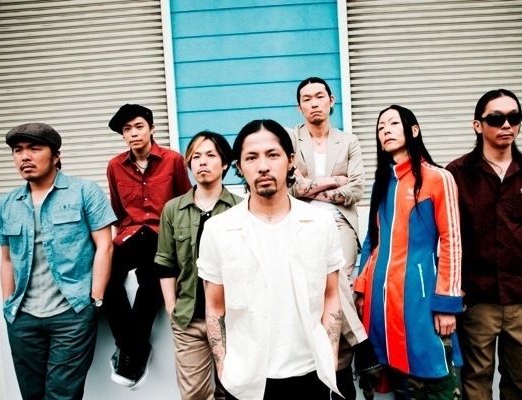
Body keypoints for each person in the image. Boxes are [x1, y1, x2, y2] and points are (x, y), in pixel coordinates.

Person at [197, 119, 344, 400]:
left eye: (272, 155)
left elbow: (331, 294)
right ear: (239, 167)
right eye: (251, 157)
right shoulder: (218, 230)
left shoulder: (320, 223)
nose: (263, 166)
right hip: (247, 379)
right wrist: (224, 367)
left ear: (290, 161)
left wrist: (331, 354)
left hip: (310, 372)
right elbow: (215, 306)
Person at [445, 89, 522, 399]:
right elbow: (446, 237)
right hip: (476, 301)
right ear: (478, 125)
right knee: (475, 385)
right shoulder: (456, 174)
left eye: (514, 117)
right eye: (496, 118)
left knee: (520, 387)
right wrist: (452, 288)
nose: (506, 125)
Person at [0, 122, 116, 399]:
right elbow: (7, 259)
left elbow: (105, 246)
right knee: (32, 395)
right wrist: (8, 306)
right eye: (18, 150)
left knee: (62, 395)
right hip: (23, 317)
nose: (25, 156)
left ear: (56, 155)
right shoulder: (5, 204)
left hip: (72, 314)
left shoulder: (84, 191)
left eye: (34, 149)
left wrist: (94, 299)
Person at [355, 105, 463, 399]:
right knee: (397, 381)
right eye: (380, 127)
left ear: (414, 130)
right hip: (381, 301)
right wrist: (361, 289)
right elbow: (372, 240)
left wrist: (447, 304)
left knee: (436, 382)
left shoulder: (437, 178)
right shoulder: (381, 184)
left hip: (421, 298)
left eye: (393, 123)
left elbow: (452, 241)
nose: (385, 130)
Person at [288, 76, 378, 399]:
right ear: (299, 107)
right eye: (307, 98)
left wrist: (312, 186)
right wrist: (333, 180)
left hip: (340, 224)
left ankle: (341, 370)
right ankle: (359, 349)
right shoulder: (290, 139)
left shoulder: (348, 141)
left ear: (331, 101)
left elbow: (356, 189)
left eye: (319, 96)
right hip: (302, 224)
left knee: (336, 280)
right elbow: (292, 188)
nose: (314, 103)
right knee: (327, 291)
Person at [105, 103, 192, 389]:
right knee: (105, 279)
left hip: (162, 235)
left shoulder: (173, 160)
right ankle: (133, 347)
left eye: (139, 127)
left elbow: (185, 201)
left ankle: (129, 355)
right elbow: (118, 210)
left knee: (152, 280)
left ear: (152, 129)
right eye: (127, 129)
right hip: (130, 235)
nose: (133, 133)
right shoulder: (115, 166)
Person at [155, 131, 242, 399]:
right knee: (194, 394)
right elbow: (166, 261)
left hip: (233, 320)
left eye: (210, 155)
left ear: (225, 163)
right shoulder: (173, 209)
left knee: (235, 390)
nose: (202, 162)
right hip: (189, 320)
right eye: (196, 157)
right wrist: (171, 306)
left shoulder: (241, 209)